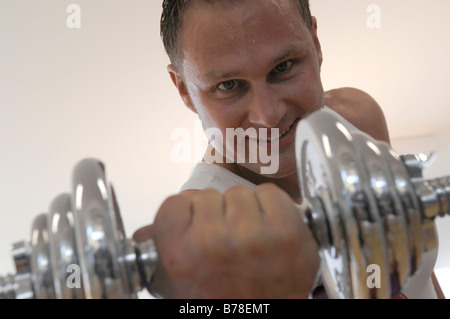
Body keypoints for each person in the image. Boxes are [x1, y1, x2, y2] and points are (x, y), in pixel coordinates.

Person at [133, 0, 445, 299]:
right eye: (229, 85)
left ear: (316, 43)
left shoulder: (359, 118)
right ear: (184, 90)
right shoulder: (201, 245)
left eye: (283, 67)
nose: (268, 115)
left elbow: (421, 281)